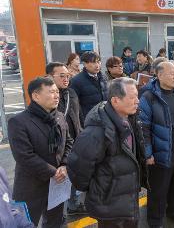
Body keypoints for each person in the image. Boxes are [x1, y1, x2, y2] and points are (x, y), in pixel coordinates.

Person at [67, 78, 147, 228]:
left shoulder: (130, 118)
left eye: (137, 96)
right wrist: (99, 189)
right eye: (132, 97)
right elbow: (78, 169)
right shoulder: (97, 131)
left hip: (128, 200)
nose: (137, 101)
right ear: (115, 101)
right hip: (109, 205)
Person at [8, 77, 73, 227]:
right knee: (24, 224)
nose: (57, 95)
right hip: (30, 187)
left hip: (57, 185)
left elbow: (68, 142)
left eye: (57, 92)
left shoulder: (59, 116)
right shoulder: (18, 122)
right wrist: (54, 172)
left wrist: (64, 165)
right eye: (51, 92)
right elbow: (24, 156)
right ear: (36, 96)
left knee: (55, 223)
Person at [139, 62, 174, 227]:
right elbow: (143, 127)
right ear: (159, 75)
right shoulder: (149, 96)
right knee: (158, 189)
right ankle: (155, 220)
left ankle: (173, 211)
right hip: (159, 148)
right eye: (171, 73)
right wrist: (148, 153)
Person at [45, 62, 84, 214]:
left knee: (72, 174)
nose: (66, 79)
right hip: (56, 147)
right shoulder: (46, 96)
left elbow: (78, 115)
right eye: (62, 76)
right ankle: (59, 213)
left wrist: (82, 132)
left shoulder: (71, 93)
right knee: (58, 179)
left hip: (75, 141)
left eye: (67, 75)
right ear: (49, 76)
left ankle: (73, 205)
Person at [70, 51, 108, 119]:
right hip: (89, 120)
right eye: (93, 62)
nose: (97, 65)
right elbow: (74, 105)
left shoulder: (104, 77)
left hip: (105, 117)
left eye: (98, 62)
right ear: (85, 64)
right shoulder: (76, 81)